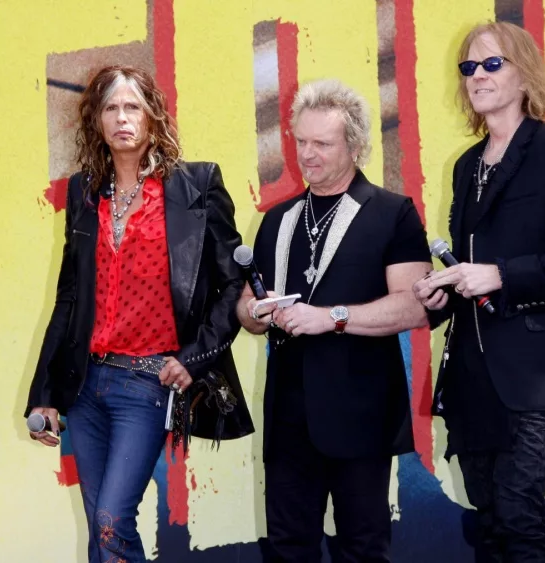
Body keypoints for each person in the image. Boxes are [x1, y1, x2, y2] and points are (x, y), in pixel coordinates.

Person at [26, 65, 254, 563]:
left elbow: (231, 283)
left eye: (133, 106)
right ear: (96, 120)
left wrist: (193, 359)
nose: (122, 118)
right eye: (111, 108)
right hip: (86, 383)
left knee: (112, 518)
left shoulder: (196, 185)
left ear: (153, 116)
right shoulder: (84, 193)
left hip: (147, 382)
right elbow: (69, 298)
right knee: (99, 527)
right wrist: (43, 395)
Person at [412, 21, 545, 562]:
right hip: (471, 372)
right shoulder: (465, 165)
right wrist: (443, 292)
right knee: (489, 517)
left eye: (492, 64)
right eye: (468, 67)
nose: (477, 75)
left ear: (524, 73)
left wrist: (502, 274)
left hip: (536, 368)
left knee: (518, 512)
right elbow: (469, 267)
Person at [236, 79, 432, 563]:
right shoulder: (276, 219)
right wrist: (257, 314)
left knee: (363, 549)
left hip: (362, 409)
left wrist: (332, 318)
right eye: (300, 141)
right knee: (287, 548)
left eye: (321, 143)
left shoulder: (393, 213)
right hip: (287, 414)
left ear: (356, 145)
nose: (307, 154)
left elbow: (415, 305)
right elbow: (245, 306)